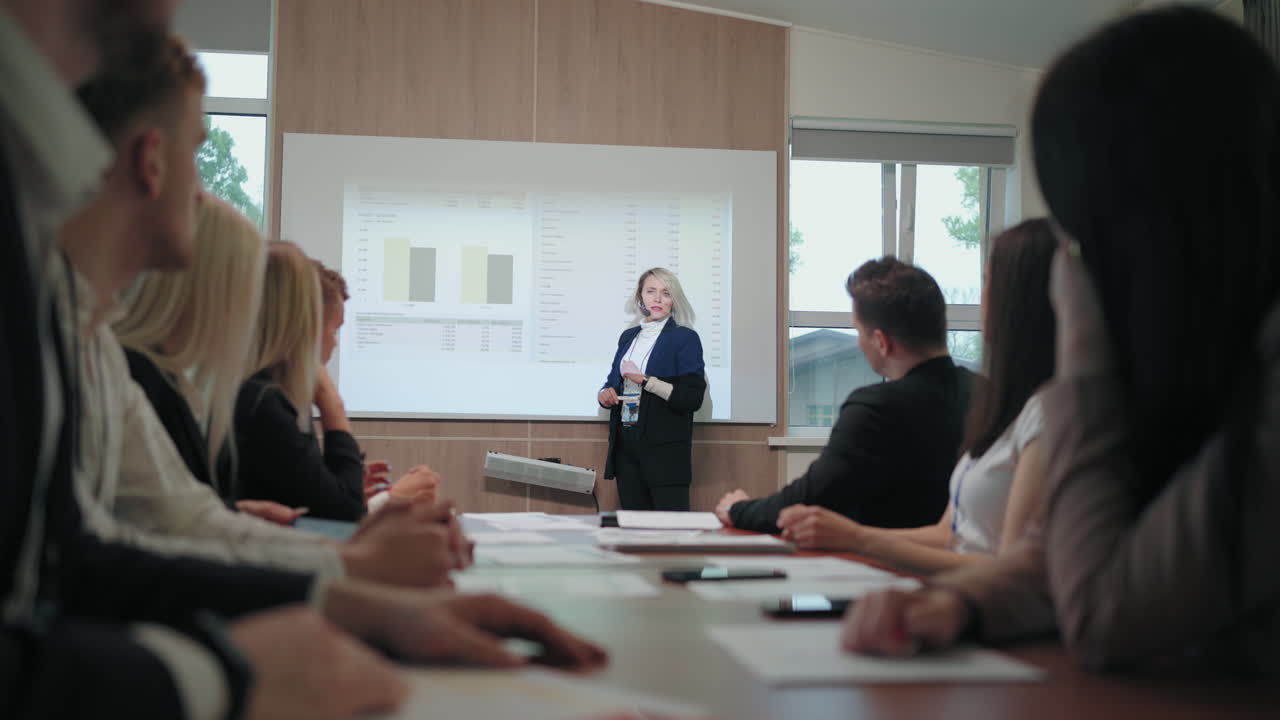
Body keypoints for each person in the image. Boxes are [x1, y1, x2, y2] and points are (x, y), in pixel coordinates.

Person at [2, 11, 607, 717]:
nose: (204, 195)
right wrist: (227, 671)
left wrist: (350, 596)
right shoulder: (72, 313)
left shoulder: (82, 326)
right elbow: (92, 564)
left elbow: (96, 552)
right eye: (198, 157)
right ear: (151, 159)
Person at [843, 6, 1280, 679]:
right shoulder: (1200, 354)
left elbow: (1105, 613)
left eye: (1082, 233)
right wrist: (959, 603)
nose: (1074, 263)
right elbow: (1062, 552)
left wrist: (1084, 361)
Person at [775, 220, 1056, 575]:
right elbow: (949, 533)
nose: (980, 297)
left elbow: (1014, 573)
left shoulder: (1049, 411)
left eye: (988, 281)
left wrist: (857, 540)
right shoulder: (1003, 402)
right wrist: (850, 536)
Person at [716, 258, 974, 533]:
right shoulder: (989, 393)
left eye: (858, 331)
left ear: (881, 342)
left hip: (880, 568)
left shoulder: (877, 408)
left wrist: (739, 509)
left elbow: (810, 500)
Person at [232, 241, 366, 520]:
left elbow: (316, 494)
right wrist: (332, 403)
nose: (335, 344)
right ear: (306, 326)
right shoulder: (264, 405)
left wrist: (348, 482)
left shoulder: (259, 393)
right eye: (334, 331)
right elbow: (343, 512)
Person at [598, 267, 706, 511]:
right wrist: (604, 394)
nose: (657, 299)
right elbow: (613, 382)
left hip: (665, 452)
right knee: (634, 532)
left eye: (666, 293)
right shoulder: (628, 337)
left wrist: (646, 381)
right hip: (626, 446)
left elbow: (691, 398)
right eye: (651, 291)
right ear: (640, 297)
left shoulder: (684, 338)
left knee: (671, 535)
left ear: (674, 300)